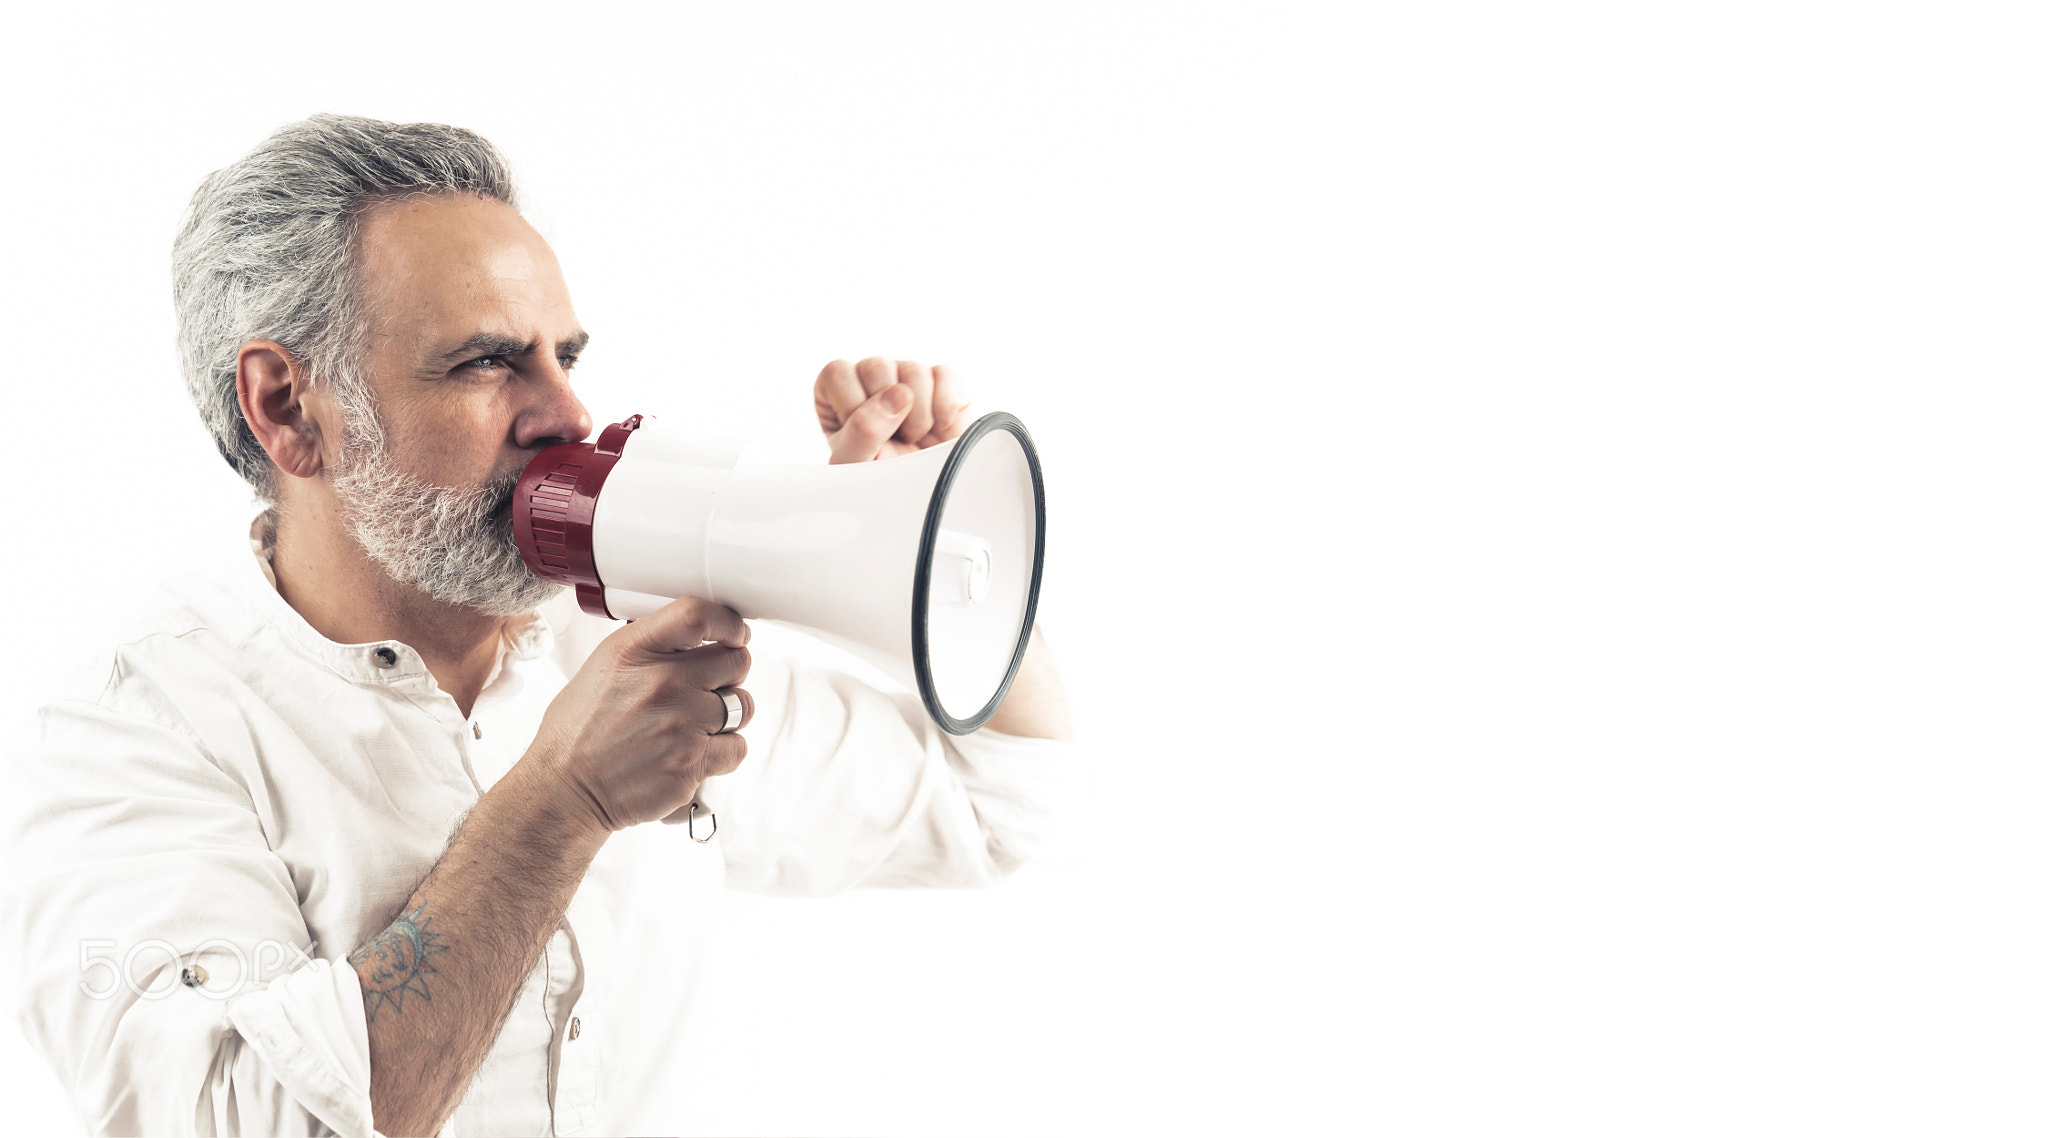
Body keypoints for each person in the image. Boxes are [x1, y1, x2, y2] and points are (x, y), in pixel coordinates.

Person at [1, 114, 1076, 1137]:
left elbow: (996, 807)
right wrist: (561, 801)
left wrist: (915, 550)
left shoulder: (618, 641)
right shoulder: (132, 737)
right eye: (486, 360)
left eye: (564, 355)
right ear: (287, 407)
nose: (564, 412)